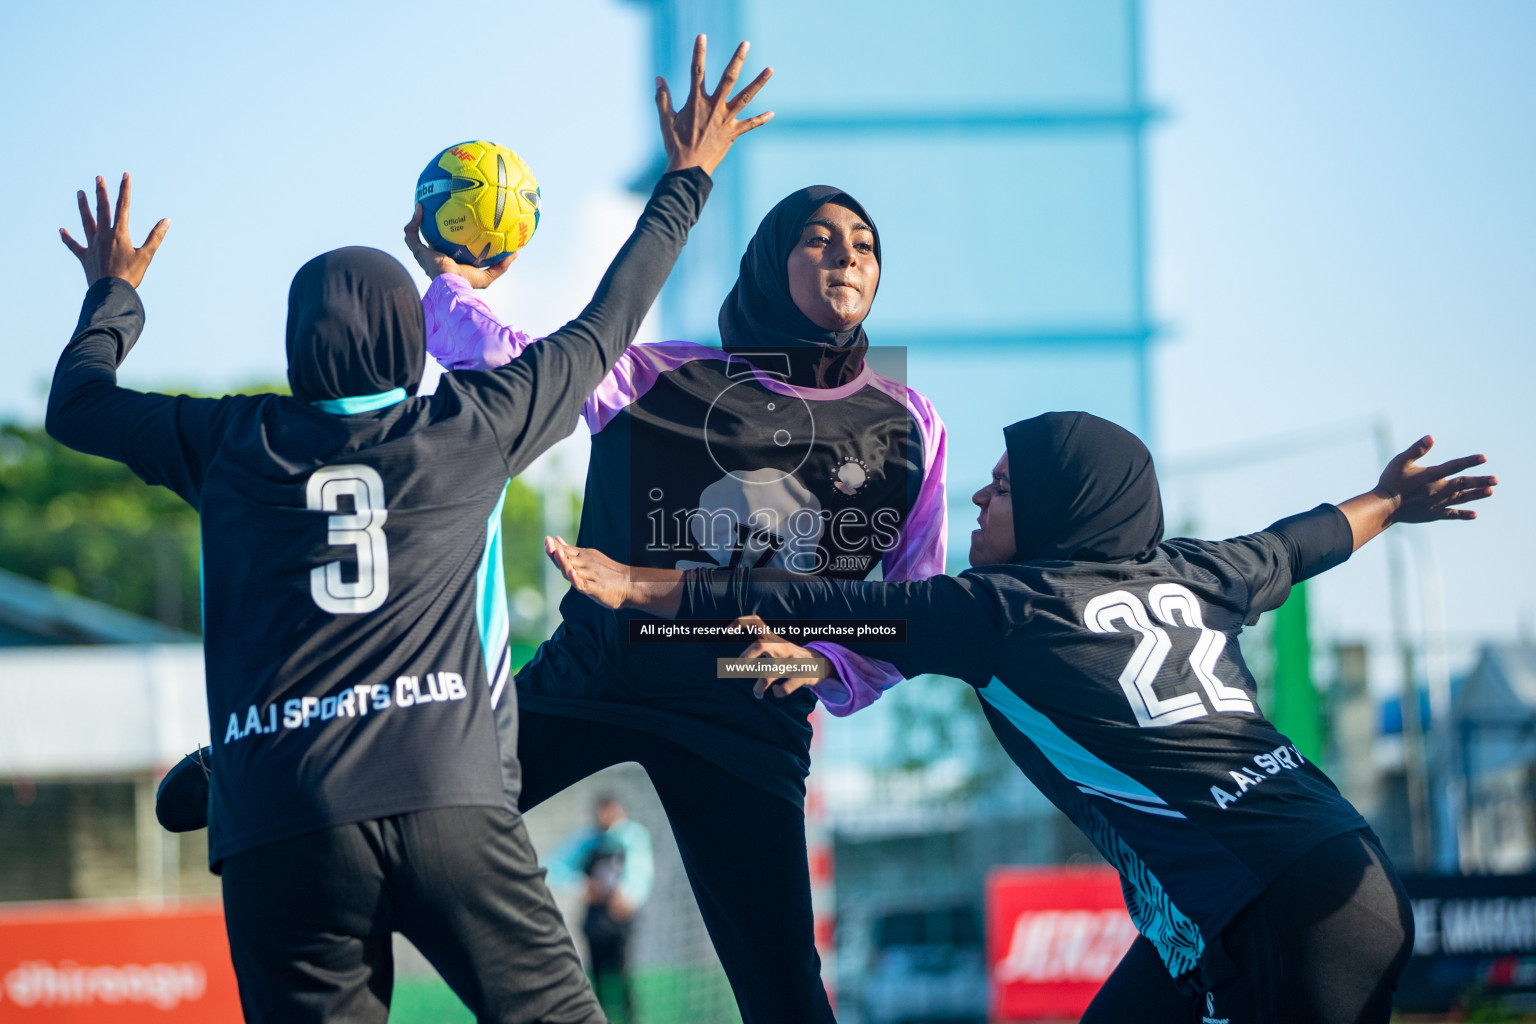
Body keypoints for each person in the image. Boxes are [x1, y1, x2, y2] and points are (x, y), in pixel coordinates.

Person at [49, 36, 770, 1024]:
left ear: (296, 345)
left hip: (279, 818)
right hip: (445, 786)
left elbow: (77, 406)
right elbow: (609, 322)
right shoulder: (468, 426)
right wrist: (688, 176)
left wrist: (113, 294)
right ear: (409, 334)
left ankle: (227, 766)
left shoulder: (230, 439)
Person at [546, 411, 1498, 1024]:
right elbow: (1299, 544)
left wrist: (636, 582)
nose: (979, 494)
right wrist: (1390, 499)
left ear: (1055, 510)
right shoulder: (1196, 570)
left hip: (1272, 907)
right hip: (1319, 873)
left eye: (1003, 487)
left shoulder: (1000, 607)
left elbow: (804, 603)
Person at [412, 170, 948, 1023]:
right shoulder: (661, 375)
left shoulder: (910, 421)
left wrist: (825, 661)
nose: (847, 254)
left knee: (785, 997)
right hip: (601, 677)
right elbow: (513, 363)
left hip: (745, 712)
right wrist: (450, 284)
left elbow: (919, 609)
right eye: (819, 238)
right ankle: (240, 778)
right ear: (773, 263)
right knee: (408, 801)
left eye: (866, 245)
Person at [548, 796, 653, 1023]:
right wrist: (582, 886)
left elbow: (642, 870)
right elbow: (555, 866)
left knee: (623, 974)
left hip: (621, 921)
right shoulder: (586, 839)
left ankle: (629, 1018)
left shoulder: (632, 837)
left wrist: (629, 895)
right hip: (595, 920)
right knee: (596, 976)